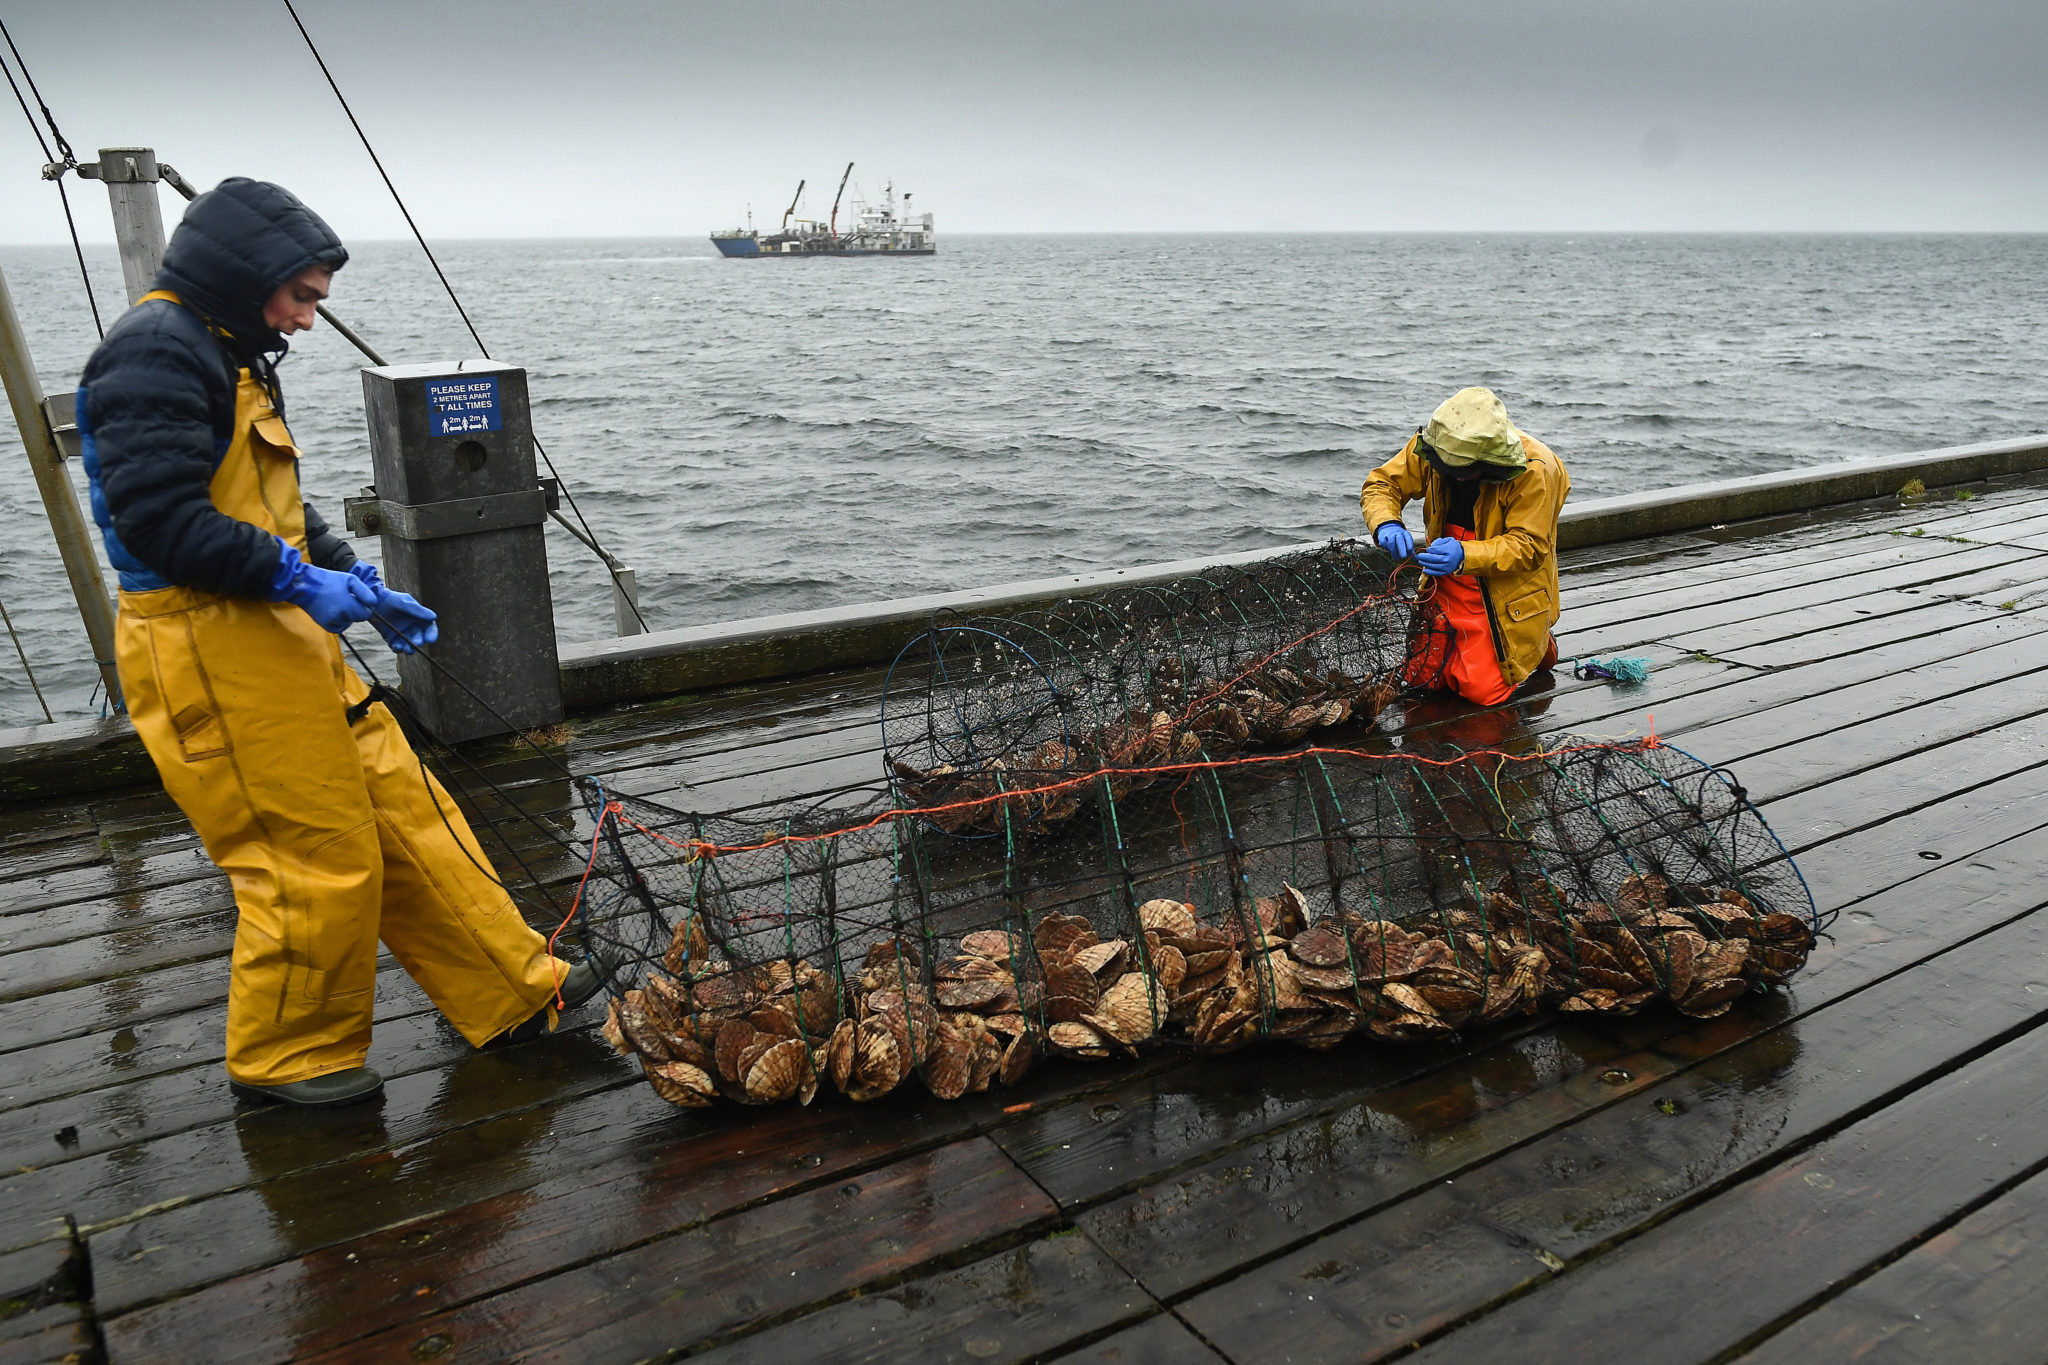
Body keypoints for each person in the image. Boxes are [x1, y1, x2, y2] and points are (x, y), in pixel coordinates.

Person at [75, 178, 604, 1109]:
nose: (310, 320)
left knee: (407, 810)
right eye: (302, 297)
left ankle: (514, 989)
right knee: (308, 851)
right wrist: (296, 580)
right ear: (247, 278)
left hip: (279, 635)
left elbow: (265, 494)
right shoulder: (150, 356)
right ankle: (290, 1058)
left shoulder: (231, 345)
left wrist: (345, 572)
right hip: (206, 646)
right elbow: (159, 522)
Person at [1360, 387, 1570, 707]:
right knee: (1421, 679)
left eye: (1466, 471)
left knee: (1480, 692)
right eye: (1450, 469)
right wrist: (1387, 523)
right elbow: (1383, 484)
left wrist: (1465, 554)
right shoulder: (1435, 444)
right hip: (1442, 580)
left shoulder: (1538, 468)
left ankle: (1536, 643)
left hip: (1505, 589)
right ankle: (1516, 645)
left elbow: (1529, 546)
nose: (1457, 478)